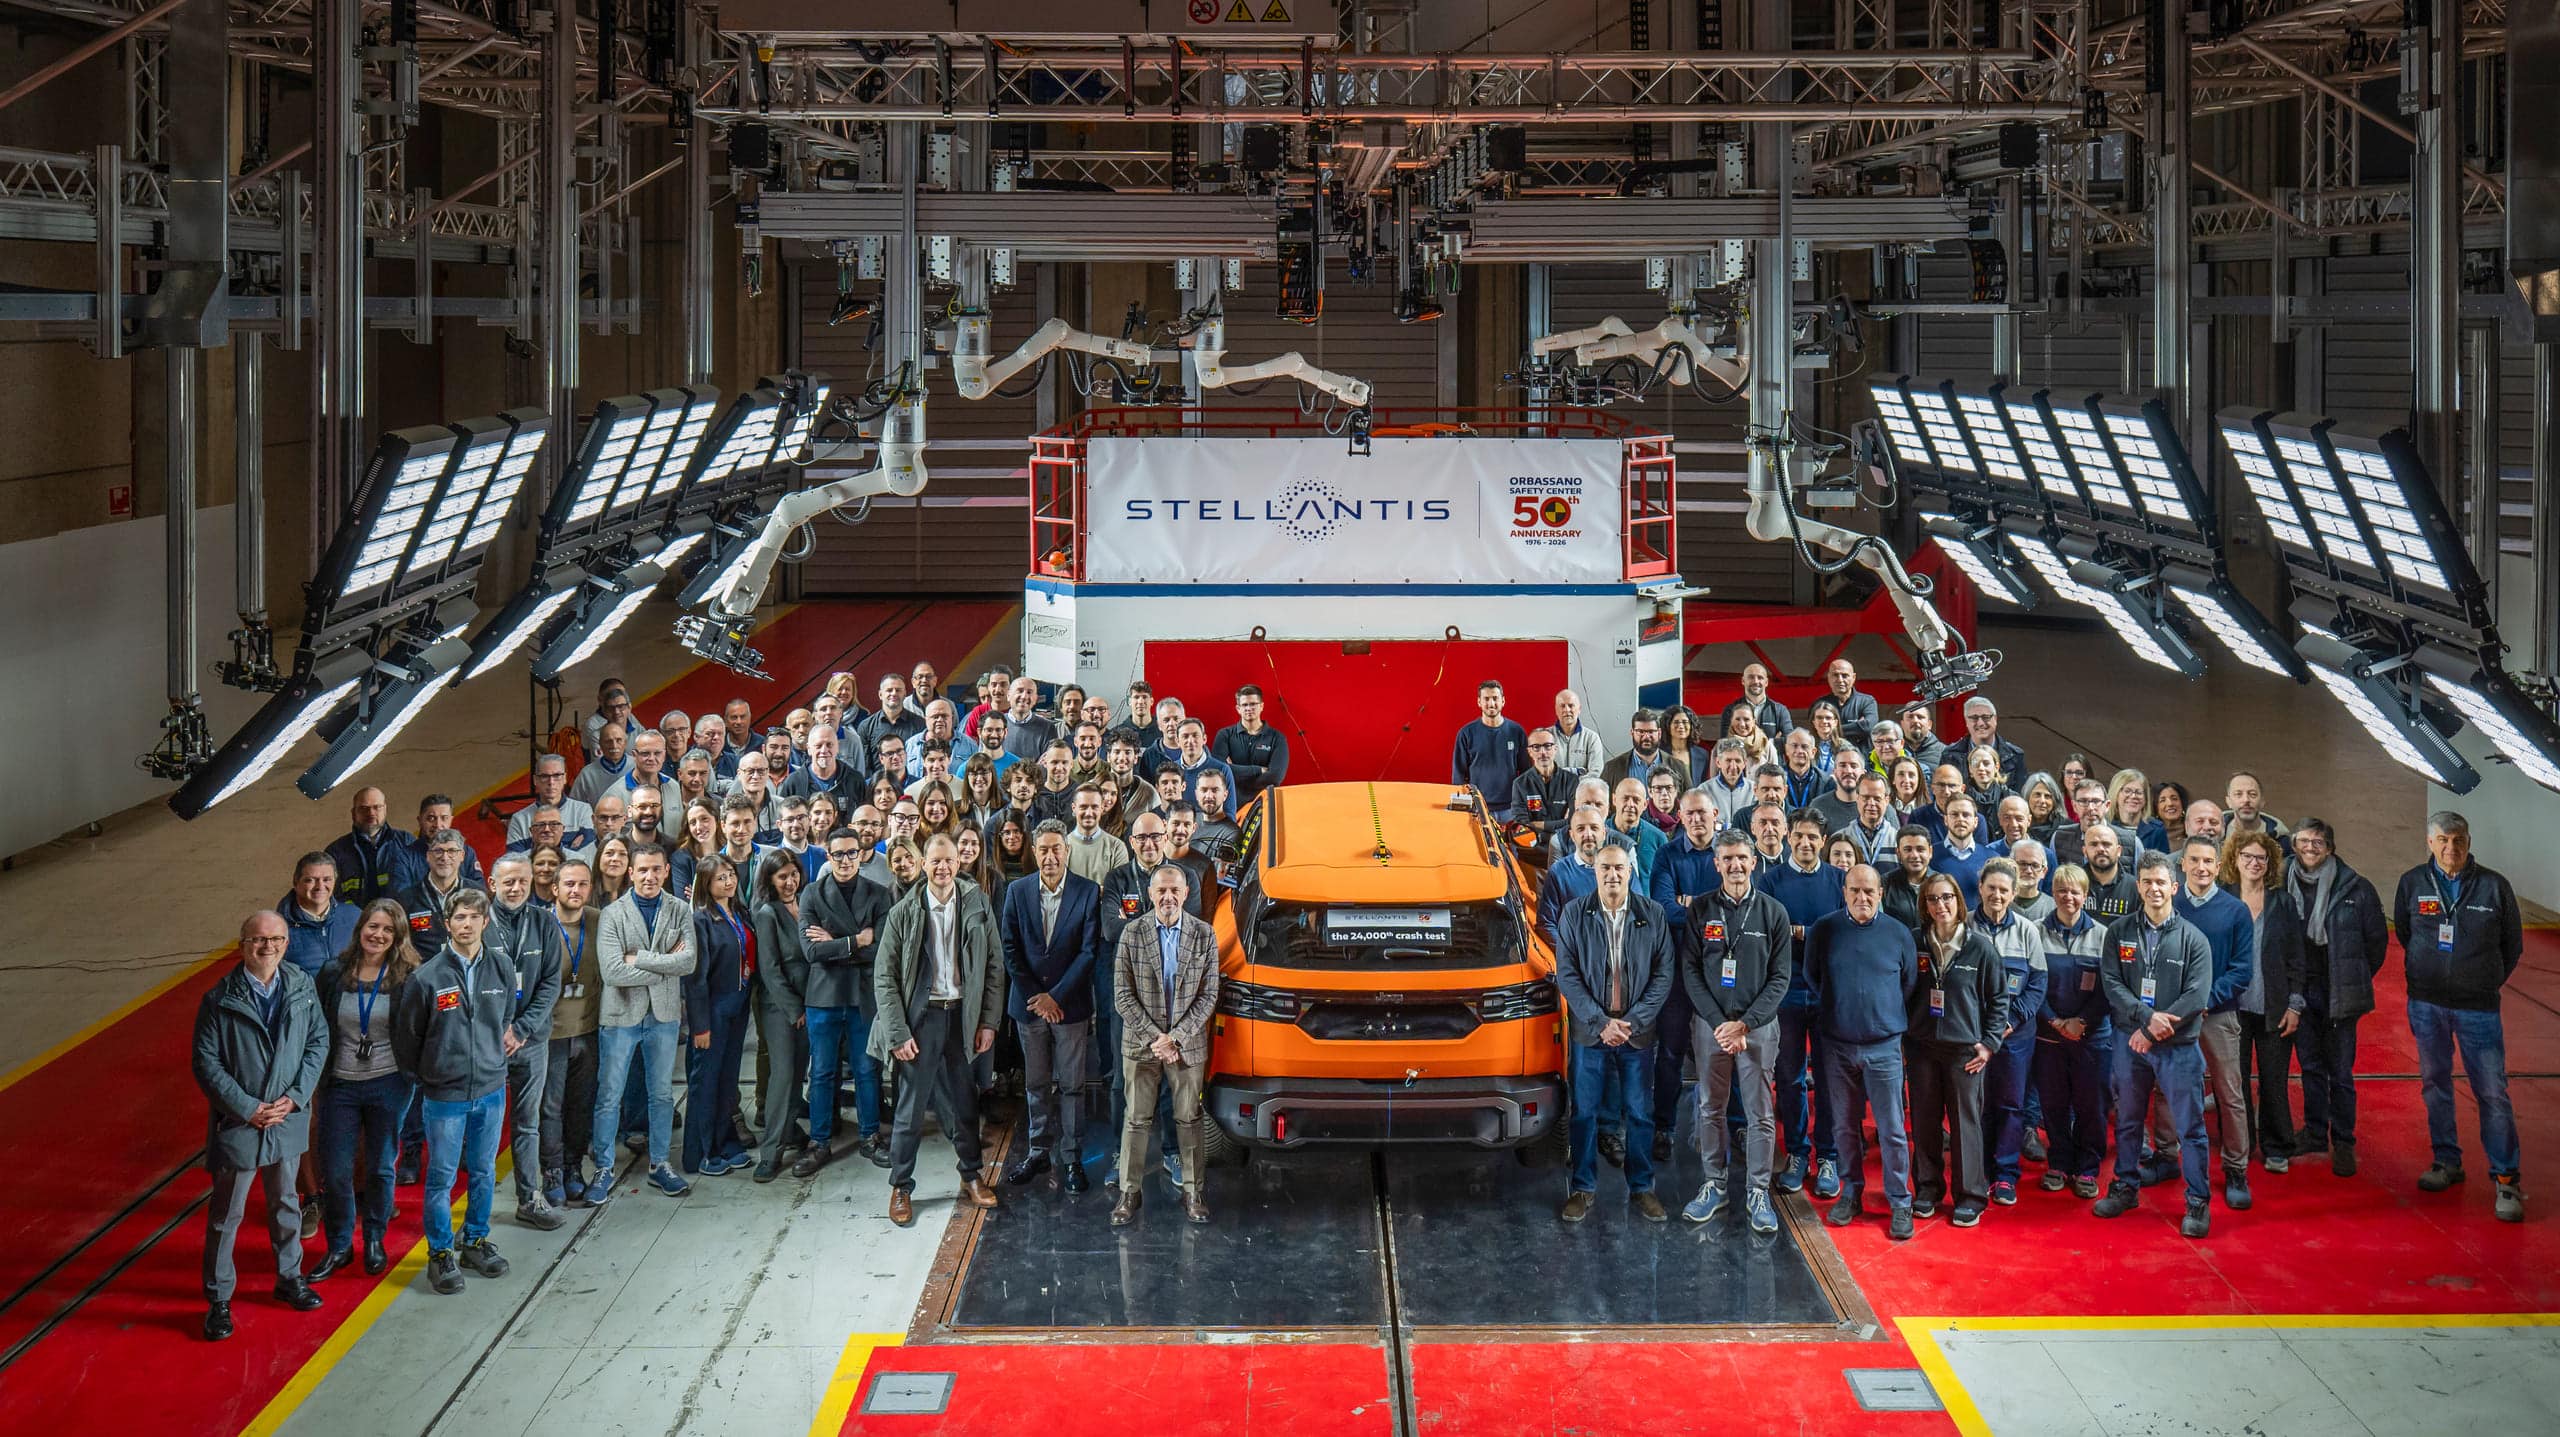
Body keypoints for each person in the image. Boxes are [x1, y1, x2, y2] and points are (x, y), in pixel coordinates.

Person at [193, 911, 330, 1341]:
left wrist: (296, 1096)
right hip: (241, 1122)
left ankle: (289, 1278)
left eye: (276, 939)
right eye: (258, 939)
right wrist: (248, 1107)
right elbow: (206, 1063)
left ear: (286, 944)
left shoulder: (302, 987)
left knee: (286, 1202)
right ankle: (219, 1299)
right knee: (227, 1214)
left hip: (286, 1117)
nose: (267, 947)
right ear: (242, 946)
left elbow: (318, 1042)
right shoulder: (219, 1000)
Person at [2392, 811, 2526, 1222]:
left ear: (2469, 842)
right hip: (2427, 1005)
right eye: (2443, 840)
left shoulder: (2494, 886)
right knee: (2435, 1083)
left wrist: (2482, 981)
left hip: (2478, 1009)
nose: (2451, 847)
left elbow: (2513, 945)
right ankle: (2447, 1161)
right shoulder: (2413, 883)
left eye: (2459, 840)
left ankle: (2506, 1179)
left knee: (2492, 1092)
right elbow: (2405, 933)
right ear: (2429, 842)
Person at [870, 834, 1006, 1228]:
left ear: (958, 864)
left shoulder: (977, 904)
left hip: (962, 1016)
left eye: (949, 860)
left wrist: (988, 1022)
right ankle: (901, 1186)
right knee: (910, 1108)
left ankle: (971, 1175)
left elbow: (994, 967)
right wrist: (898, 1032)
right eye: (936, 861)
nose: (943, 867)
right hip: (923, 1018)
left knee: (965, 1102)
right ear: (924, 864)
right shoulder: (904, 911)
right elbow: (885, 977)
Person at [390, 888, 516, 1292]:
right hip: (444, 1097)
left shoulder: (501, 967)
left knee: (483, 1171)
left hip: (491, 1090)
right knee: (442, 1178)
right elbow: (407, 1038)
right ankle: (441, 1253)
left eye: (474, 917)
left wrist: (491, 1063)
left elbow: (506, 1016)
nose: (467, 924)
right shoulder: (426, 977)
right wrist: (433, 1076)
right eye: (459, 917)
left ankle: (475, 1240)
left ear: (485, 922)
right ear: (447, 924)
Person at [2093, 851, 2217, 1237]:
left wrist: (2152, 1031)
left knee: (2190, 1127)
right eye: (2146, 882)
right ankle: (2126, 1186)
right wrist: (2145, 1017)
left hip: (2178, 1047)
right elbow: (2112, 982)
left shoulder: (2194, 939)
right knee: (2129, 1120)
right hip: (2129, 1041)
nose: (2154, 888)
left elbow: (2196, 996)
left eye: (2161, 882)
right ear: (2139, 886)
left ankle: (2197, 1201)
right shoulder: (2119, 932)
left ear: (2174, 887)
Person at [1676, 831, 1793, 1234]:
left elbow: (1780, 978)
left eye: (1742, 858)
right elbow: (1690, 971)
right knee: (1711, 1107)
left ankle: (1758, 1191)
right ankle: (1714, 1184)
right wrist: (1718, 1023)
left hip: (1757, 1028)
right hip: (1711, 1027)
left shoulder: (1773, 912)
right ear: (1717, 864)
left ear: (1754, 862)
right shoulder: (1701, 909)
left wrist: (1745, 1024)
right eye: (1727, 859)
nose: (1735, 865)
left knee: (1760, 1112)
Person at [1553, 846, 1676, 1224]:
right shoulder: (1574, 913)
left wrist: (1632, 1022)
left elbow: (1663, 974)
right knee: (1584, 1113)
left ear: (1630, 871)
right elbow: (1567, 975)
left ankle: (1642, 1187)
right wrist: (1600, 1022)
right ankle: (1582, 1188)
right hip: (1591, 1033)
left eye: (1619, 868)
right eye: (1605, 867)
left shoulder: (1652, 914)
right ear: (1594, 871)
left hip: (1636, 1034)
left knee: (1639, 1113)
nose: (1612, 875)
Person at [1805, 866, 1920, 1240]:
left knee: (1891, 1129)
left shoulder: (1898, 933)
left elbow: (1908, 983)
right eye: (1855, 890)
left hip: (1884, 1046)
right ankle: (1851, 1192)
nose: (1862, 898)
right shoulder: (1824, 930)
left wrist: (1879, 1012)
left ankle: (1899, 1201)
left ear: (1881, 892)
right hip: (1837, 1045)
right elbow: (1813, 977)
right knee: (1843, 1125)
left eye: (1869, 891)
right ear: (1844, 891)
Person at [307, 900, 418, 1285]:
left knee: (381, 1167)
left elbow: (420, 1029)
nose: (378, 935)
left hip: (389, 1084)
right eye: (373, 926)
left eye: (388, 930)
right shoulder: (333, 972)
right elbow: (317, 1026)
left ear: (398, 937)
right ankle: (339, 1246)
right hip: (340, 1084)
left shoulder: (408, 977)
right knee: (337, 1171)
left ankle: (374, 1238)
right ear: (360, 929)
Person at [1110, 864, 1220, 1226]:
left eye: (1175, 890)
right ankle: (1129, 1192)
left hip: (1186, 1045)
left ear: (1186, 894)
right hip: (1142, 1044)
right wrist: (1156, 1038)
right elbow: (1122, 995)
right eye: (1161, 891)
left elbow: (1209, 995)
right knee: (1136, 1119)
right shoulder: (1132, 933)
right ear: (1150, 894)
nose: (1168, 897)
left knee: (1189, 1118)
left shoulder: (1204, 934)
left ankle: (1193, 1191)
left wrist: (1176, 1037)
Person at [1000, 823, 1106, 1194]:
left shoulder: (1087, 891)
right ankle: (1038, 1151)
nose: (1050, 857)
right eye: (1043, 849)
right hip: (1029, 1006)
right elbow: (1010, 948)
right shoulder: (1017, 891)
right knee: (1036, 1083)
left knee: (1073, 1086)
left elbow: (1089, 951)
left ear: (1067, 850)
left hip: (1070, 1007)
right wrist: (1038, 997)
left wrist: (1056, 997)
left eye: (1056, 849)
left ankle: (1072, 1156)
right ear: (1034, 852)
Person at [2287, 818, 2389, 1177]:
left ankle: (2343, 1140)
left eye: (2318, 842)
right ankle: (2315, 1133)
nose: (2310, 847)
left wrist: (2351, 979)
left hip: (2338, 992)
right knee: (2310, 1066)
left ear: (2330, 848)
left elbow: (2376, 943)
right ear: (2293, 845)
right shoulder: (2282, 883)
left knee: (2340, 1072)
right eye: (2303, 841)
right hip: (2300, 991)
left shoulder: (2357, 888)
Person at [593, 846, 696, 1201]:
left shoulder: (680, 909)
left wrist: (641, 959)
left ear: (666, 871)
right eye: (642, 870)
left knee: (662, 1094)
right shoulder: (612, 914)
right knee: (609, 1095)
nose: (649, 877)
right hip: (620, 1014)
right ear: (631, 873)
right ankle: (603, 1167)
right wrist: (664, 966)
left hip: (664, 1016)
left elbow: (688, 962)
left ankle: (660, 1164)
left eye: (655, 869)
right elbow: (612, 971)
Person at [1905, 873, 2006, 1227]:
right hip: (1921, 1047)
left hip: (1965, 1051)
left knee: (1966, 1124)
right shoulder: (1914, 942)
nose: (1940, 905)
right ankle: (1928, 1188)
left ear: (1958, 901)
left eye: (1947, 897)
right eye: (1932, 899)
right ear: (1925, 905)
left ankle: (1970, 1195)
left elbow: (1999, 999)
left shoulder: (1980, 947)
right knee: (1924, 1122)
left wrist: (1990, 1044)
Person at [2161, 835, 2256, 1210]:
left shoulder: (2235, 911)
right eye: (2194, 860)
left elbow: (2241, 970)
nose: (2201, 867)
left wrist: (2203, 1001)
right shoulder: (2169, 905)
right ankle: (2166, 1155)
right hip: (2173, 1016)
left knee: (2230, 1094)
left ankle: (2236, 1168)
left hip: (2218, 1015)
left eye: (2208, 862)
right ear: (2182, 864)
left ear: (2218, 867)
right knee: (2165, 1088)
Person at [797, 828, 894, 1177]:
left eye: (852, 853)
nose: (845, 860)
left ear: (861, 855)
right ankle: (819, 1141)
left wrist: (834, 942)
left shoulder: (878, 894)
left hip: (862, 995)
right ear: (828, 856)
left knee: (867, 1069)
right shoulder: (811, 893)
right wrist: (855, 941)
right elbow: (811, 952)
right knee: (822, 1072)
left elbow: (882, 950)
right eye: (838, 854)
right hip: (823, 996)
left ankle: (870, 1136)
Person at [1760, 811, 1846, 1200]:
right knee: (1790, 1077)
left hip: (1829, 992)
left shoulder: (1839, 880)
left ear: (1823, 841)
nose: (1805, 842)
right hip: (1786, 990)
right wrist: (1812, 935)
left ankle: (1828, 1155)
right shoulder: (1770, 881)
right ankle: (1797, 1153)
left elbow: (1843, 935)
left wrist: (1803, 933)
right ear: (1788, 838)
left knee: (1829, 1078)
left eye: (1813, 836)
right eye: (1799, 836)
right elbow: (1769, 935)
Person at [484, 855, 566, 1231]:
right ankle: (478, 1211)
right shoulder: (479, 922)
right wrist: (499, 1030)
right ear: (492, 884)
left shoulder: (545, 922)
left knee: (528, 1123)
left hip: (531, 1041)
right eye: (508, 882)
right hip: (488, 1043)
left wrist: (521, 1030)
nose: (516, 888)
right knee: (483, 1127)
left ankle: (530, 1198)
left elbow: (551, 982)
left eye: (523, 881)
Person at [2223, 829, 2306, 1176]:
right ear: (2235, 859)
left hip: (2274, 1007)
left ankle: (2277, 1146)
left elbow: (2297, 957)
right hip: (2231, 1009)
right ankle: (2239, 1144)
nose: (2254, 863)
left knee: (2274, 1081)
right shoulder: (2223, 898)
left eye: (2261, 857)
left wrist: (2295, 1005)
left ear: (2270, 863)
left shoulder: (2283, 902)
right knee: (2235, 1082)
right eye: (2248, 856)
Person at [1971, 859, 2047, 1207]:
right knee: (1977, 1103)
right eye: (1991, 888)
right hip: (1973, 1034)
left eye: (2004, 890)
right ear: (1980, 888)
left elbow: (2038, 983)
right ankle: (1979, 1169)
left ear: (2014, 893)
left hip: (2015, 1035)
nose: (1997, 895)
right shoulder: (1965, 926)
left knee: (2011, 1103)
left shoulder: (2028, 931)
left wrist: (2011, 1021)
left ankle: (2005, 1173)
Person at [2035, 864, 2113, 1198]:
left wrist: (2083, 1022)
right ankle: (2059, 1162)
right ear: (2053, 893)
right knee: (2053, 1103)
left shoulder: (2103, 935)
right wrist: (2054, 1021)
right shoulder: (2035, 932)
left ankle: (2088, 1167)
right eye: (2062, 891)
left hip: (2092, 1037)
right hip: (2048, 1036)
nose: (2068, 897)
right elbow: (2032, 985)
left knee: (2091, 1104)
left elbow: (2110, 988)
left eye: (2075, 891)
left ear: (2086, 895)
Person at [678, 855, 755, 1177]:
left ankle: (725, 1143)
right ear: (706, 884)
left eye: (731, 874)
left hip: (738, 1006)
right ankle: (701, 1152)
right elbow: (695, 979)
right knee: (705, 1084)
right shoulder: (700, 920)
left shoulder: (739, 912)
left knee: (727, 1080)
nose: (728, 881)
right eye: (720, 878)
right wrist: (700, 1026)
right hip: (712, 1011)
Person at [541, 859, 604, 1207]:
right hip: (551, 1034)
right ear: (554, 889)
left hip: (588, 1029)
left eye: (582, 884)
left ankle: (572, 1167)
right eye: (568, 884)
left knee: (580, 1105)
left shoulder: (598, 921)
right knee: (551, 1107)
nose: (576, 890)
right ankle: (551, 1171)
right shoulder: (541, 925)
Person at [748, 852, 812, 1183]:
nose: (789, 882)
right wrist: (794, 1009)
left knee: (798, 1074)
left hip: (810, 1004)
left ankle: (789, 1129)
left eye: (793, 874)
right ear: (770, 880)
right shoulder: (767, 913)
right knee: (783, 1076)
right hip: (780, 1007)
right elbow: (770, 970)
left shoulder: (806, 905)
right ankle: (770, 1153)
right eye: (782, 877)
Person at [326, 787, 423, 906]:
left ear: (385, 810)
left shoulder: (406, 842)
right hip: (354, 917)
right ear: (353, 813)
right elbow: (331, 894)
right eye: (363, 808)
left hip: (399, 916)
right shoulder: (336, 851)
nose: (371, 813)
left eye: (377, 807)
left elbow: (422, 885)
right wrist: (354, 914)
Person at [1452, 681, 1530, 813]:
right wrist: (1462, 805)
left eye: (1495, 698)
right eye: (1486, 699)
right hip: (1477, 809)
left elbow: (1525, 772)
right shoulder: (1466, 733)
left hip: (1511, 809)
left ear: (1503, 701)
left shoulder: (1517, 731)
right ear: (1479, 702)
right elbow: (1458, 775)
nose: (1491, 703)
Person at [281, 853, 362, 977]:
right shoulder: (278, 926)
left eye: (327, 879)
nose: (320, 886)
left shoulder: (355, 916)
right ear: (296, 882)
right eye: (310, 880)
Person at [1211, 685, 1291, 801]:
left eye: (1253, 704)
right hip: (1234, 803)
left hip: (1265, 802)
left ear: (1261, 706)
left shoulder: (1277, 738)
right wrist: (1258, 770)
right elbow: (1217, 769)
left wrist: (1236, 776)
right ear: (1238, 708)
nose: (1249, 708)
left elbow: (1276, 776)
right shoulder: (1225, 735)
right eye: (1244, 705)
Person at [1509, 729, 1581, 845]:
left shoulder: (1571, 780)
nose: (1543, 752)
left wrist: (1538, 824)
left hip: (1565, 846)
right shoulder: (1520, 784)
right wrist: (1560, 824)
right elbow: (1522, 826)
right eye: (1536, 747)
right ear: (1529, 752)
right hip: (1534, 848)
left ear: (1555, 749)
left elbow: (1574, 821)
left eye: (1547, 746)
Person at [508, 753, 597, 842]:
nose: (551, 782)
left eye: (557, 775)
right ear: (535, 780)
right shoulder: (519, 819)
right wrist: (568, 846)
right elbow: (515, 852)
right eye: (544, 776)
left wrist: (537, 846)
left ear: (565, 778)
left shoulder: (583, 811)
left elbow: (588, 848)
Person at [1601, 709, 1679, 793]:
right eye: (1640, 732)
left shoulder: (1678, 767)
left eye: (1651, 731)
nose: (1646, 737)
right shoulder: (1612, 768)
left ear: (1659, 733)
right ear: (1632, 733)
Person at [1959, 696, 2027, 788]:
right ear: (1966, 721)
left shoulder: (2015, 755)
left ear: (1995, 719)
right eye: (1974, 718)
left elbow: (2020, 794)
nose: (1980, 723)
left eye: (1986, 717)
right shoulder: (1950, 755)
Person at [1881, 826, 1933, 932]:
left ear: (1930, 852)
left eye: (1920, 849)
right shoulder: (1884, 884)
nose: (1914, 855)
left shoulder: (1942, 883)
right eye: (1908, 850)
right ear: (1898, 853)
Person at [1820, 659, 1880, 748]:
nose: (1840, 680)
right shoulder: (1820, 704)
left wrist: (1832, 730)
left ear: (1853, 677)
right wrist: (1857, 726)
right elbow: (1816, 732)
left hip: (1861, 756)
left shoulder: (1867, 701)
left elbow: (1868, 727)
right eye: (1835, 675)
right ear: (1829, 677)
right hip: (1831, 755)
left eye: (1845, 675)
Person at [1721, 663, 1789, 738]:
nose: (1756, 681)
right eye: (1751, 677)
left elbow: (1789, 740)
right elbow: (1726, 741)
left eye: (1760, 678)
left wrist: (1740, 740)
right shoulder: (1730, 710)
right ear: (1743, 681)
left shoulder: (1780, 710)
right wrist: (1772, 742)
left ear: (1766, 682)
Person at [1552, 688, 1608, 775]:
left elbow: (1596, 773)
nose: (1567, 710)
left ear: (1579, 709)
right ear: (1556, 710)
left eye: (1571, 705)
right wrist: (1579, 771)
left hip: (1582, 785)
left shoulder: (1592, 738)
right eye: (1562, 706)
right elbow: (1541, 772)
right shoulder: (1545, 737)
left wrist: (1561, 775)